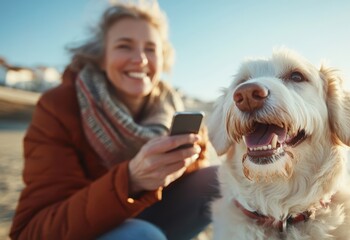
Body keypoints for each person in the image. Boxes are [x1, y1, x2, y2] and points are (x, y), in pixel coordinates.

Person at [9, 2, 219, 240]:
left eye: (151, 49)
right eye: (124, 46)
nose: (140, 59)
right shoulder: (59, 107)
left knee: (218, 181)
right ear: (101, 58)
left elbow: (193, 185)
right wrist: (130, 180)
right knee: (142, 234)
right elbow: (30, 232)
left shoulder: (175, 110)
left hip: (149, 219)